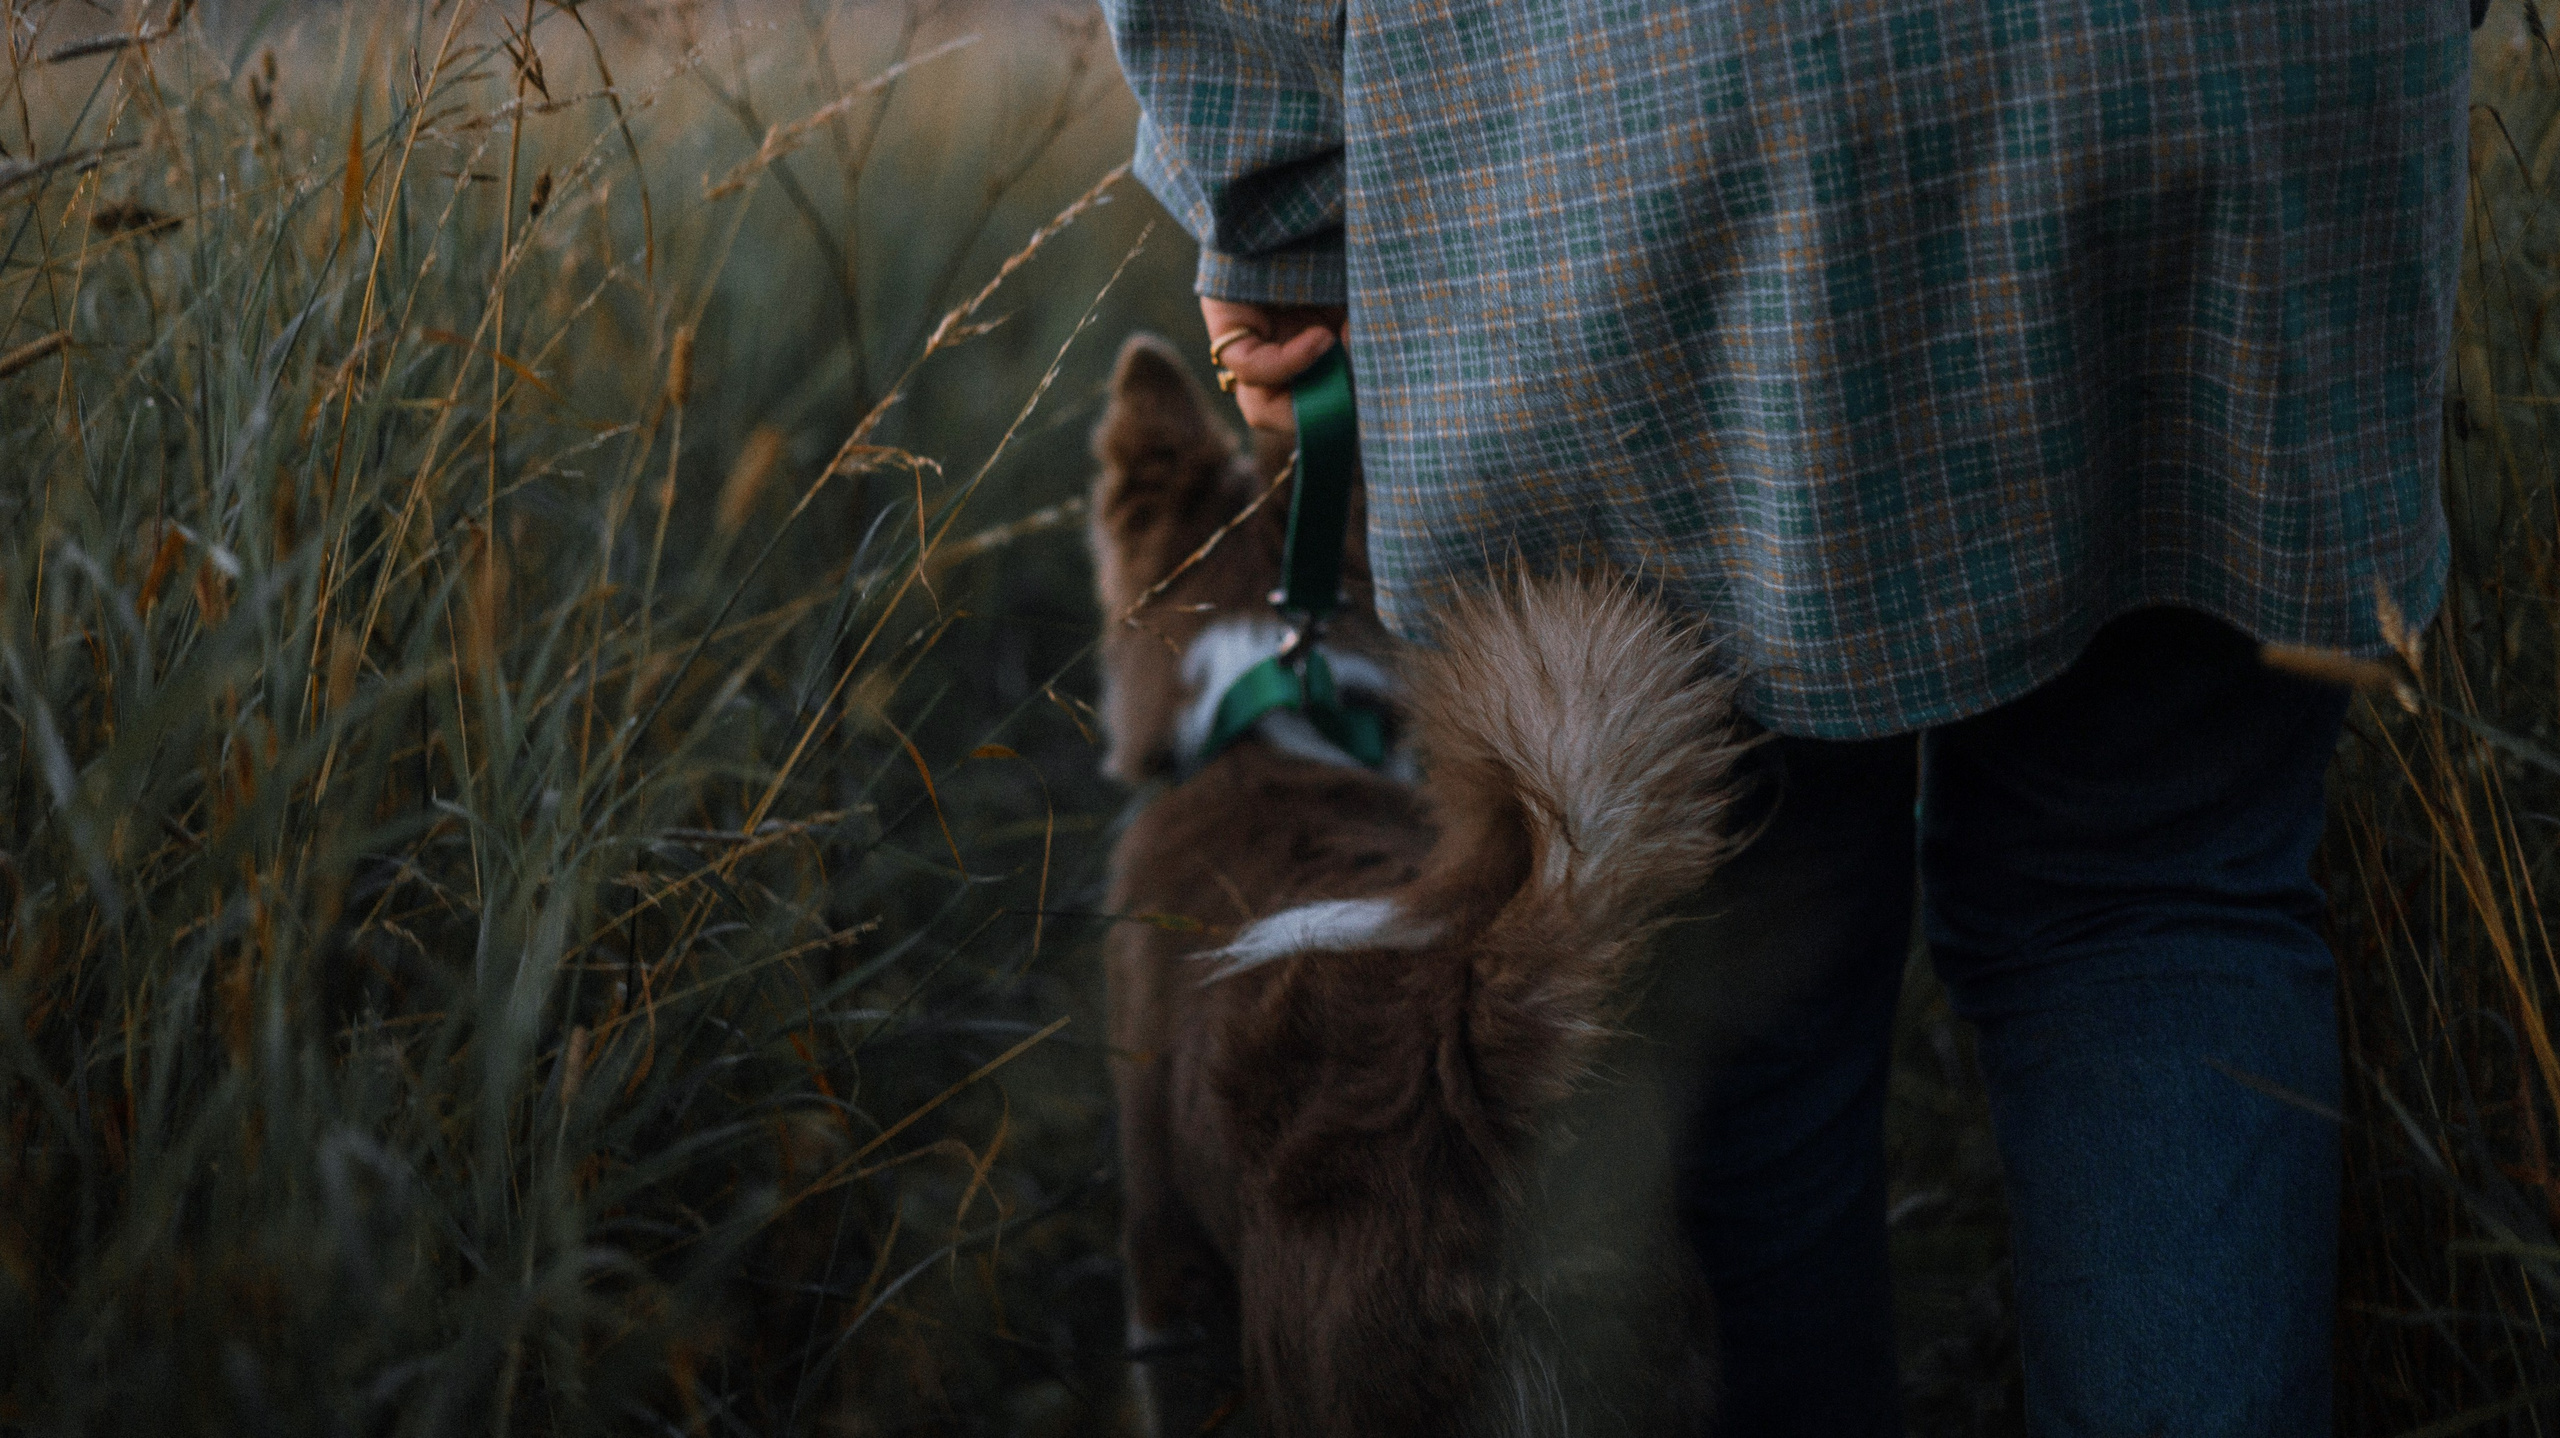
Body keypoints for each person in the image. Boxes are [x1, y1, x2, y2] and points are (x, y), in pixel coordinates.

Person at [1095, 2, 2475, 1433]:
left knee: (1734, 989)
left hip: (1655, 116)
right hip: (2273, 69)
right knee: (2163, 899)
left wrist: (1269, 199)